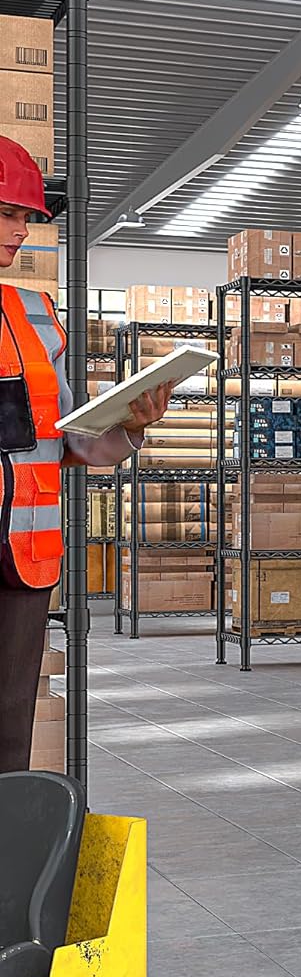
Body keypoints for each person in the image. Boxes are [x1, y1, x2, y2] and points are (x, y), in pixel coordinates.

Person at [0, 136, 170, 774]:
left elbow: (69, 439)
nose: (22, 230)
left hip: (22, 560)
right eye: (9, 214)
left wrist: (129, 425)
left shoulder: (36, 315)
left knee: (8, 726)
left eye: (28, 217)